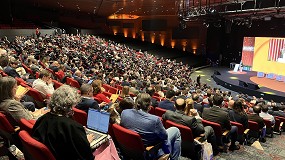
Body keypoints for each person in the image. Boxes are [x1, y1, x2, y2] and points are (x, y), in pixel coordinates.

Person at [32, 85, 94, 160]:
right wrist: (86, 141)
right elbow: (87, 156)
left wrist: (79, 132)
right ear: (69, 105)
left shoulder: (42, 119)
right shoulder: (73, 127)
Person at [121, 93, 181, 160]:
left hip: (130, 148)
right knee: (176, 130)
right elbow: (164, 137)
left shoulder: (124, 112)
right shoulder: (154, 120)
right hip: (150, 149)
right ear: (149, 105)